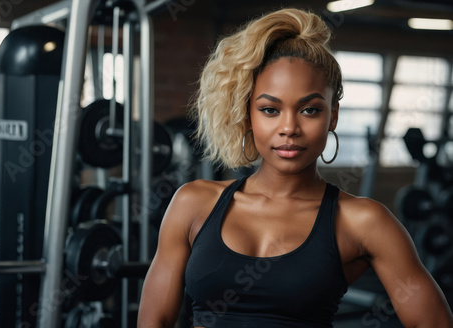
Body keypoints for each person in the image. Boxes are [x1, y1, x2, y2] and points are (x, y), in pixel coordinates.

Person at [137, 8, 453, 328]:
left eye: (310, 109)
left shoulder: (364, 221)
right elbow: (155, 320)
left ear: (333, 116)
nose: (289, 127)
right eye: (270, 109)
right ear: (248, 114)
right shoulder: (192, 203)